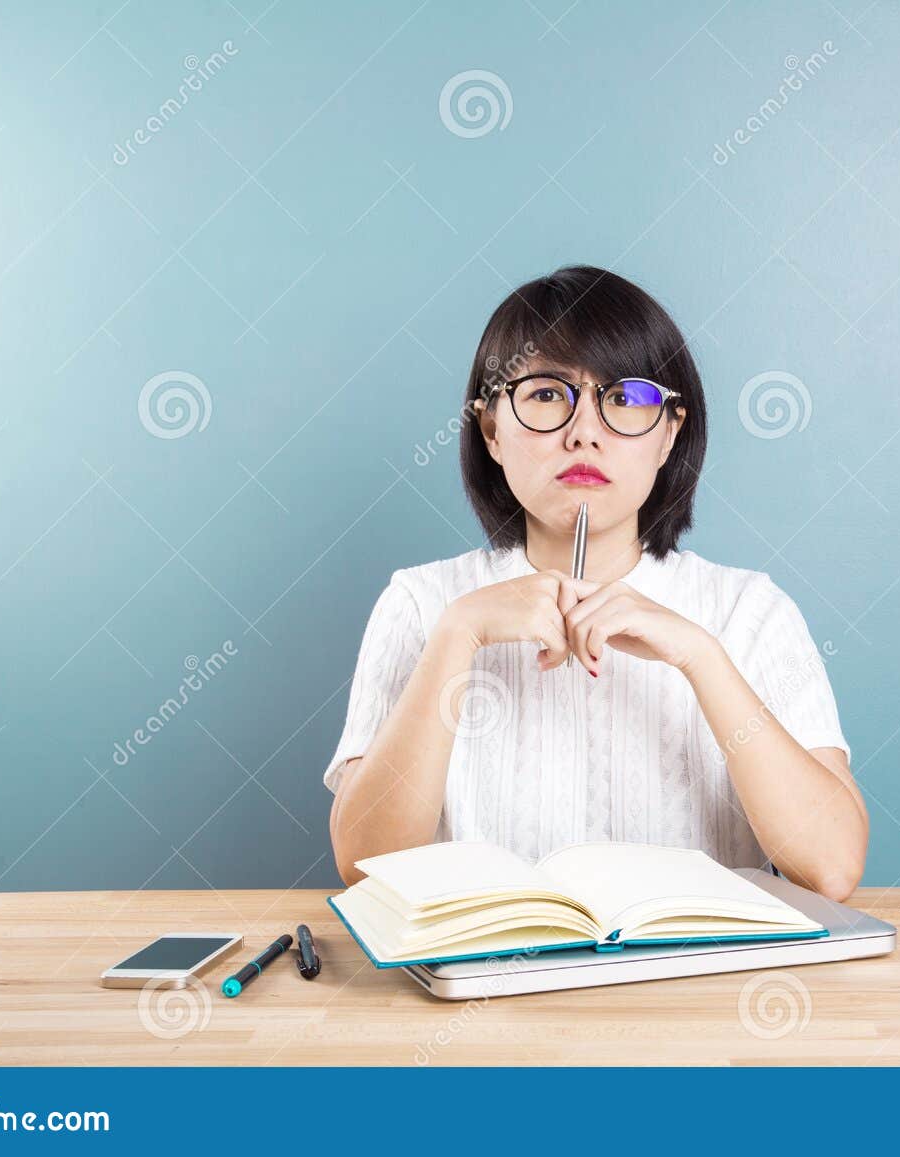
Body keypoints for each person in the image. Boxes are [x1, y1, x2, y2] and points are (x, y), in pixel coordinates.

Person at [326, 265, 867, 901]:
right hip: (486, 991)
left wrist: (699, 656)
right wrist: (458, 634)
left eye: (625, 397)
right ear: (493, 431)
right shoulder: (421, 606)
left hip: (695, 989)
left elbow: (831, 868)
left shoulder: (749, 610)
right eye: (547, 395)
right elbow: (365, 867)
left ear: (669, 433)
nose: (584, 431)